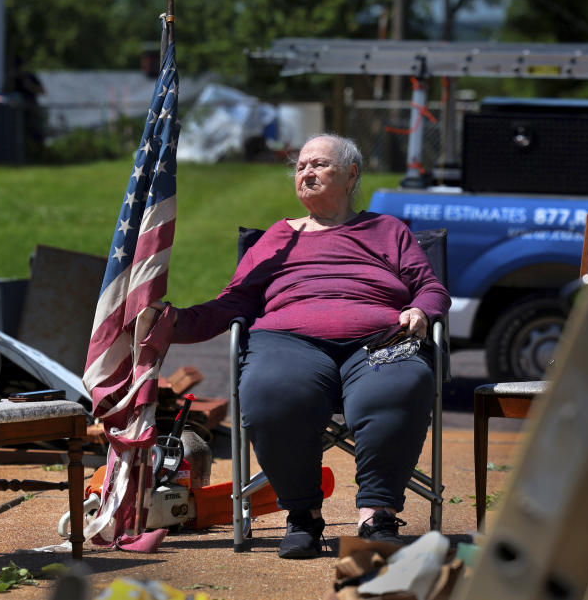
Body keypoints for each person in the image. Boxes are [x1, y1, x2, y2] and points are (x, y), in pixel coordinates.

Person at [152, 133, 450, 559]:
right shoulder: (276, 238)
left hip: (379, 341)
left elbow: (431, 288)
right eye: (300, 166)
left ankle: (377, 515)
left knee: (399, 385)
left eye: (319, 164)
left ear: (351, 175)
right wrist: (172, 322)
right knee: (272, 391)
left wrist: (421, 310)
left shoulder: (387, 230)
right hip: (289, 342)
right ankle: (303, 515)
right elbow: (232, 302)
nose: (306, 171)